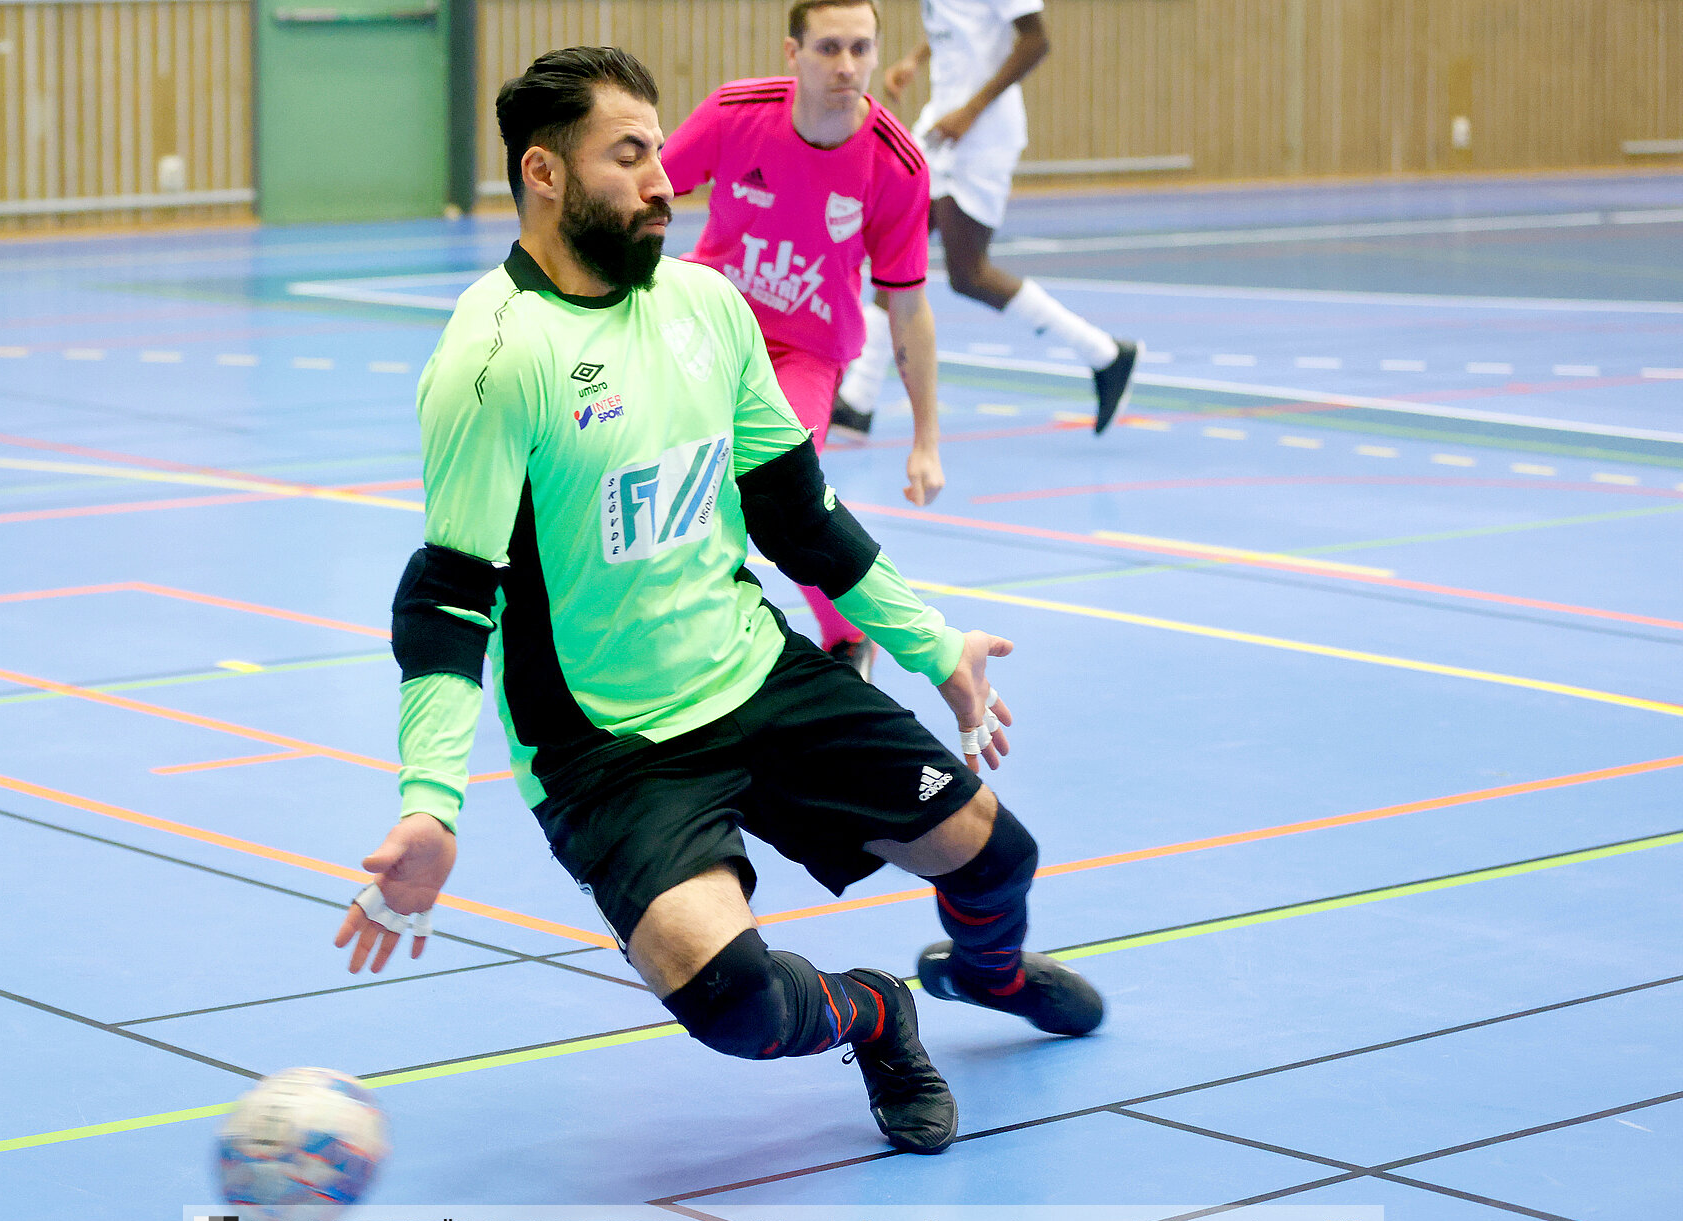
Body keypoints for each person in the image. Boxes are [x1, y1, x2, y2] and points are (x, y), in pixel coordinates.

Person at [334, 45, 1103, 1157]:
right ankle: (880, 1011)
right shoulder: (496, 357)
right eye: (629, 155)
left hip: (752, 670)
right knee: (738, 1005)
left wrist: (932, 645)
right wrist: (429, 804)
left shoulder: (704, 307)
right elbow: (450, 599)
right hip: (610, 747)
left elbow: (799, 515)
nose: (662, 181)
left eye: (660, 152)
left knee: (995, 858)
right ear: (545, 174)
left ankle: (988, 973)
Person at [662, 0, 942, 681]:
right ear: (793, 54)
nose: (847, 66)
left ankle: (846, 636)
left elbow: (908, 307)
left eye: (861, 48)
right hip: (710, 323)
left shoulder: (896, 165)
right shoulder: (735, 114)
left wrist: (926, 439)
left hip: (806, 354)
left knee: (778, 494)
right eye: (828, 48)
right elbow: (645, 196)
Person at [831, 0, 1140, 437]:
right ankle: (858, 402)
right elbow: (962, 27)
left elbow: (1037, 40)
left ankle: (1106, 355)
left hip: (982, 135)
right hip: (941, 125)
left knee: (969, 273)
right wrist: (916, 59)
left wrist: (971, 111)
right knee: (894, 251)